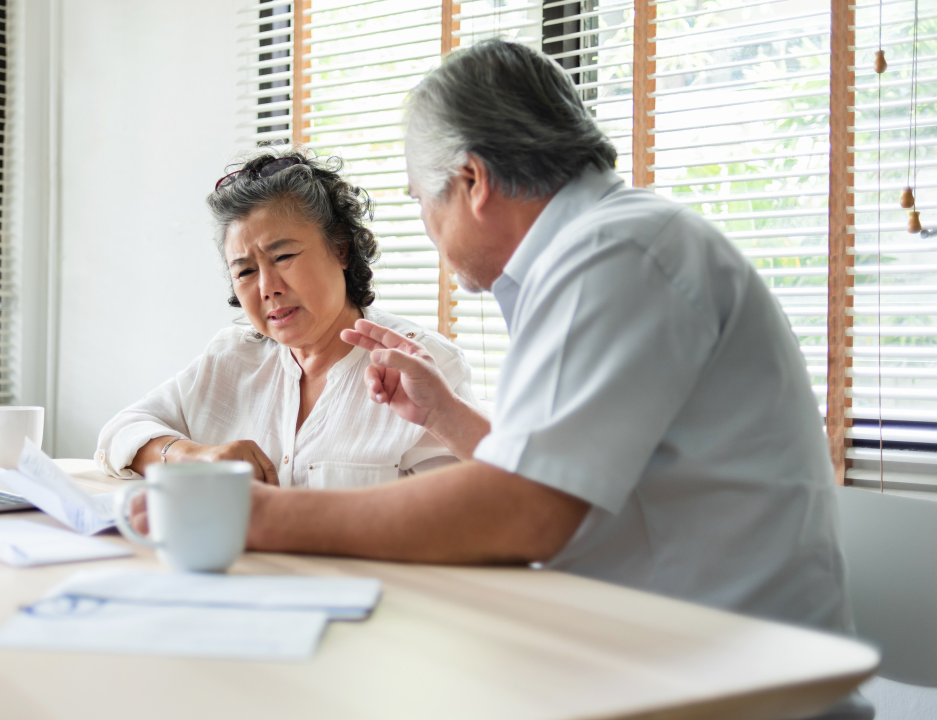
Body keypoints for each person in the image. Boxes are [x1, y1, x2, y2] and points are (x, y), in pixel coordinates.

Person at [242, 41, 869, 719]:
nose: (427, 226)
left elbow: (528, 511)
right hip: (679, 661)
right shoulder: (611, 247)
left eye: (423, 199)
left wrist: (261, 515)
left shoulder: (616, 254)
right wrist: (446, 414)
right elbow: (568, 484)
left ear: (474, 181)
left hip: (734, 689)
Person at [94, 150, 480, 489]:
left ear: (341, 250)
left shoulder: (419, 366)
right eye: (244, 272)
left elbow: (468, 506)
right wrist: (190, 457)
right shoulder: (230, 358)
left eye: (283, 257)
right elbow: (120, 433)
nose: (267, 288)